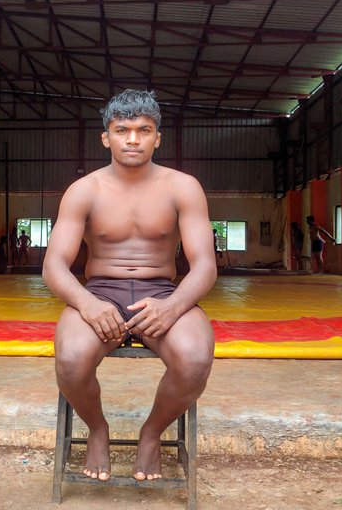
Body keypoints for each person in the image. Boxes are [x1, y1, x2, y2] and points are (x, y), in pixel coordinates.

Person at [43, 89, 217, 483]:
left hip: (162, 293)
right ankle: (98, 429)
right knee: (71, 358)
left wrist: (173, 308)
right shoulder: (84, 190)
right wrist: (88, 305)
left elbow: (204, 266)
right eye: (122, 130)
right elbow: (54, 266)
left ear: (158, 137)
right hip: (100, 292)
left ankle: (151, 434)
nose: (133, 139)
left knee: (194, 359)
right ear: (106, 137)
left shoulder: (183, 187)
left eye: (144, 129)